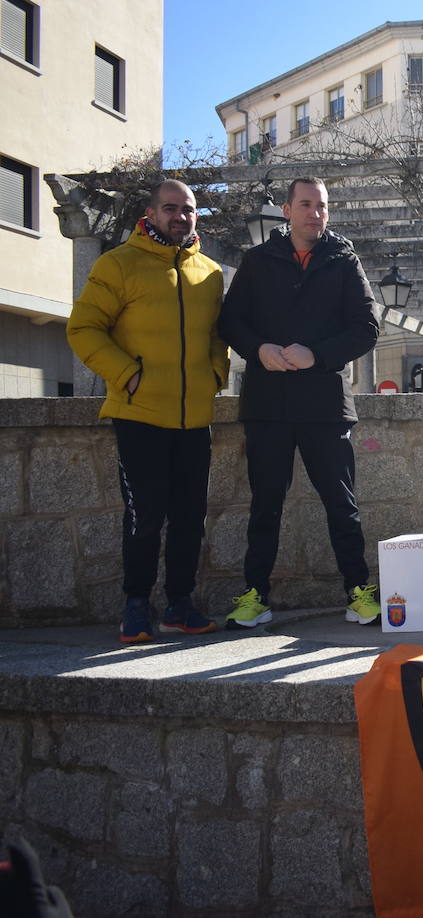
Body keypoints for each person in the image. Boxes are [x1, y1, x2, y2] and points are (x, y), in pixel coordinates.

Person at [67, 179, 228, 643]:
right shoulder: (118, 264)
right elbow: (83, 329)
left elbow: (219, 337)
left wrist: (216, 374)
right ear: (151, 213)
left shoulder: (210, 272)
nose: (181, 216)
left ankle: (180, 604)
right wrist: (127, 374)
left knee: (190, 517)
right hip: (139, 415)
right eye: (171, 208)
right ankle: (136, 604)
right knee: (144, 516)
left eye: (189, 209)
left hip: (195, 418)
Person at [218, 176, 382, 627]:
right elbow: (230, 322)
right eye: (306, 204)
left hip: (325, 405)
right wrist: (259, 350)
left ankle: (358, 592)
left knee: (341, 504)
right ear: (287, 211)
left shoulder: (345, 262)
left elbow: (367, 328)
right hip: (267, 405)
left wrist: (318, 355)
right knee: (265, 505)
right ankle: (255, 597)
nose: (316, 213)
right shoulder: (257, 261)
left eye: (322, 205)